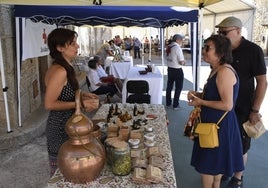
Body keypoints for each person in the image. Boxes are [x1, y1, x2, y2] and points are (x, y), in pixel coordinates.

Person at [216, 17, 267, 188]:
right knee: (223, 140)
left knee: (241, 144)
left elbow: (262, 82)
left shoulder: (254, 50)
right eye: (219, 32)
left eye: (225, 32)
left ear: (238, 31)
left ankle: (238, 177)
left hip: (243, 107)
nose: (221, 36)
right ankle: (224, 169)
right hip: (223, 105)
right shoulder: (222, 50)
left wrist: (255, 110)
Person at [187, 34, 244, 188]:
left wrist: (201, 101)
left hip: (218, 127)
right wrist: (198, 95)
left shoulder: (224, 72)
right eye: (204, 47)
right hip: (215, 125)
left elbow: (227, 105)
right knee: (216, 169)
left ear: (221, 52)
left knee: (208, 168)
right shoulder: (217, 69)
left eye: (208, 48)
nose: (204, 51)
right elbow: (217, 95)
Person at [44, 28, 99, 176]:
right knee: (64, 174)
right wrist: (80, 104)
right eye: (72, 44)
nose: (77, 46)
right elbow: (49, 104)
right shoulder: (59, 71)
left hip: (71, 126)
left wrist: (84, 96)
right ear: (60, 48)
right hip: (61, 129)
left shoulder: (65, 67)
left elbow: (66, 94)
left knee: (76, 172)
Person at [166, 34, 185, 110]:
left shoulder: (169, 46)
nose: (182, 41)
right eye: (181, 40)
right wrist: (184, 62)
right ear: (177, 40)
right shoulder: (177, 48)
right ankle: (175, 105)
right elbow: (181, 61)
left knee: (169, 86)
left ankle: (168, 103)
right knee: (178, 87)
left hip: (170, 68)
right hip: (177, 69)